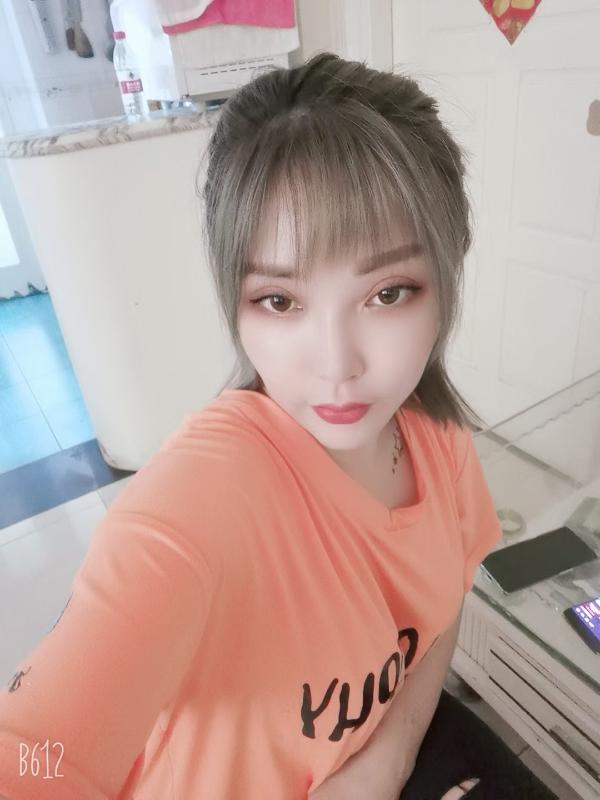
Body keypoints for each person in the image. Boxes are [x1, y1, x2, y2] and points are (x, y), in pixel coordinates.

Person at [0, 52, 558, 800]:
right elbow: (32, 757)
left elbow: (448, 591)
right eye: (280, 301)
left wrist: (386, 761)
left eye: (388, 293)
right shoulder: (199, 504)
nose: (336, 366)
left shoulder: (436, 437)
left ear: (448, 273)